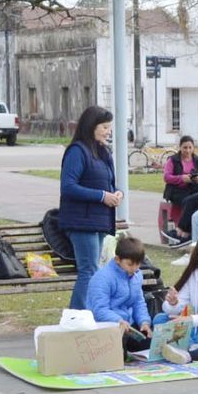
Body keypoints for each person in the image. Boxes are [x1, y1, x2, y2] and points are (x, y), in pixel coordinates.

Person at [59, 106, 122, 310]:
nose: (108, 131)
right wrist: (102, 196)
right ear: (91, 126)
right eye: (104, 127)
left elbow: (107, 183)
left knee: (92, 270)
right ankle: (77, 316)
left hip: (99, 220)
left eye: (109, 127)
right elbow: (68, 186)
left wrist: (116, 193)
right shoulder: (77, 151)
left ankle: (86, 313)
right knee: (88, 270)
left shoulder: (103, 152)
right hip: (81, 221)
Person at [87, 235, 152, 353]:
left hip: (129, 326)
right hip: (106, 327)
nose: (135, 268)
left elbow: (139, 302)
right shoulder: (103, 278)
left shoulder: (137, 275)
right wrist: (118, 320)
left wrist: (144, 322)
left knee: (151, 343)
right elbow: (99, 310)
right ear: (117, 259)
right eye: (130, 264)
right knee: (117, 354)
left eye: (138, 264)